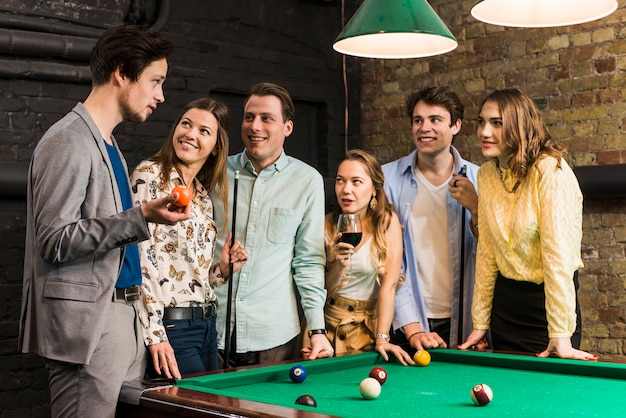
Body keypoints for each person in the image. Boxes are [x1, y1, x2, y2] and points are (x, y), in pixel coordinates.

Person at [18, 25, 189, 418]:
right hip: (90, 328)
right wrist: (142, 216)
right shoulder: (68, 140)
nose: (161, 95)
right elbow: (54, 239)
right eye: (155, 81)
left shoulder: (109, 143)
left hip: (126, 321)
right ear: (121, 73)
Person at [458, 88, 596, 361]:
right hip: (505, 306)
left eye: (497, 123)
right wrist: (480, 323)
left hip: (545, 307)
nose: (484, 132)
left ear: (520, 125)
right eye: (481, 122)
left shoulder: (551, 171)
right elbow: (487, 253)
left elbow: (558, 258)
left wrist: (560, 333)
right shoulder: (486, 175)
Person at [211, 82, 334, 366]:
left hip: (273, 336)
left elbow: (308, 261)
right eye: (249, 117)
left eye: (266, 118)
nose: (255, 126)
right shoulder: (215, 171)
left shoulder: (307, 181)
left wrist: (317, 329)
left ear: (287, 128)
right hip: (212, 328)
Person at [131, 98, 248, 379]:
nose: (191, 134)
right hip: (172, 328)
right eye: (186, 124)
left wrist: (221, 271)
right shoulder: (150, 175)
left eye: (203, 131)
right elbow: (139, 258)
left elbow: (194, 278)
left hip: (207, 326)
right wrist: (155, 333)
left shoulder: (202, 197)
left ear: (216, 146)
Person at [382, 86, 480, 352]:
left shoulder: (481, 179)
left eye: (435, 120)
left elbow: (494, 252)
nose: (424, 128)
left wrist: (476, 208)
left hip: (467, 322)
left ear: (456, 125)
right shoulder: (386, 180)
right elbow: (384, 259)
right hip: (406, 321)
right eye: (418, 120)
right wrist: (411, 327)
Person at [306, 149, 413, 365]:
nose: (346, 190)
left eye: (356, 182)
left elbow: (389, 287)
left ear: (374, 188)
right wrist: (338, 265)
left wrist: (382, 338)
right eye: (340, 181)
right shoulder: (324, 223)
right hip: (326, 329)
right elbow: (319, 291)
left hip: (366, 330)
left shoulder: (387, 223)